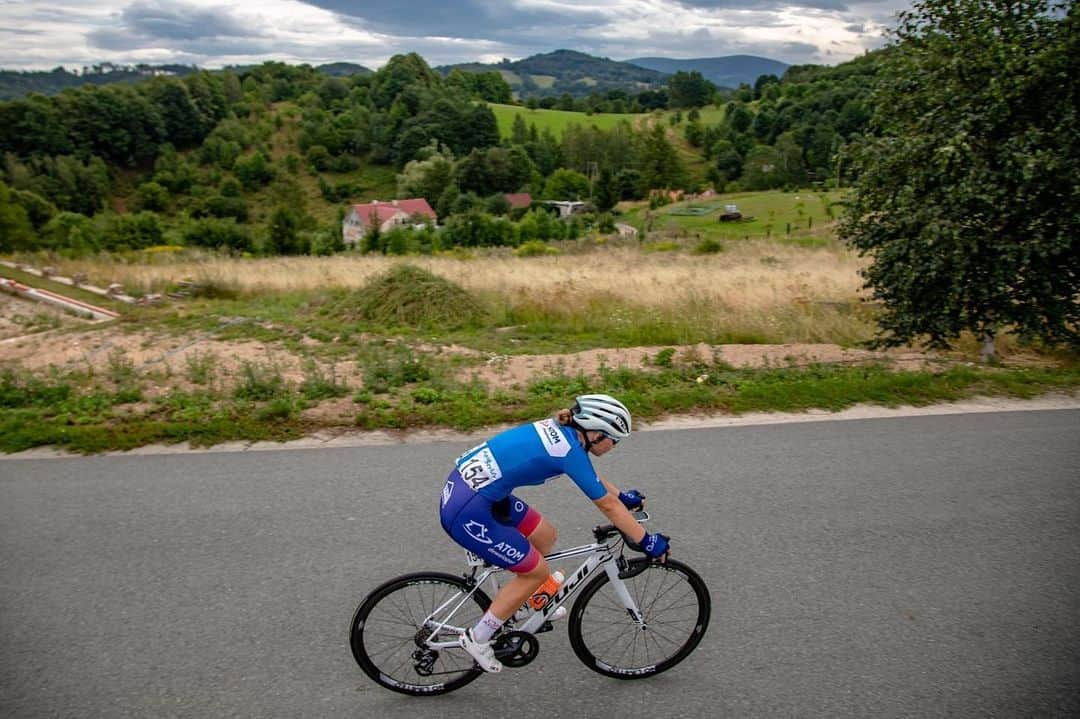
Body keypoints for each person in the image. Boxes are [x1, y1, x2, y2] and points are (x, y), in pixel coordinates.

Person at [438, 393, 671, 673]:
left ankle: (518, 603)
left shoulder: (564, 433)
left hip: (476, 493)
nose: (615, 445)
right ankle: (478, 638)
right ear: (595, 433)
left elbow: (588, 474)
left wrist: (623, 496)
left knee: (545, 536)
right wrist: (647, 540)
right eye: (614, 439)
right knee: (536, 572)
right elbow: (607, 506)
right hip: (469, 510)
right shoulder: (569, 450)